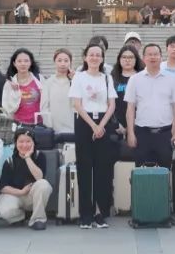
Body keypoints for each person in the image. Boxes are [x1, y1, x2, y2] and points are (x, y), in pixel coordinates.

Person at [70, 42, 118, 228]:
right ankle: (86, 214)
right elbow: (77, 104)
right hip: (84, 122)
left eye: (98, 55)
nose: (95, 58)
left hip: (103, 123)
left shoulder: (107, 78)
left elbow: (112, 105)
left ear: (102, 58)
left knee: (102, 169)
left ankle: (100, 212)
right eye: (91, 54)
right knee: (84, 168)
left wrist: (101, 126)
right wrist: (93, 126)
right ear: (85, 57)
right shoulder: (79, 77)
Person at [124, 43, 175, 167]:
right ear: (143, 58)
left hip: (165, 134)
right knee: (141, 172)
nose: (153, 57)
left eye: (156, 54)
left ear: (161, 57)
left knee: (165, 171)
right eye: (149, 54)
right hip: (142, 133)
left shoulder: (172, 79)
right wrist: (131, 133)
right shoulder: (135, 79)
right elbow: (130, 108)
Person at [0, 128, 54, 229]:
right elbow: (3, 187)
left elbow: (39, 177)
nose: (24, 145)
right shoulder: (9, 161)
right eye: (21, 141)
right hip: (16, 195)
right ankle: (20, 217)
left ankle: (38, 219)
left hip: (33, 195)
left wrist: (27, 157)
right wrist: (21, 192)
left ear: (33, 143)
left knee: (44, 185)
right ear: (16, 143)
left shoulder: (39, 156)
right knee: (4, 210)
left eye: (28, 141)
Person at [2, 47, 43, 126]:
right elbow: (7, 108)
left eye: (26, 61)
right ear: (14, 63)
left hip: (38, 125)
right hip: (18, 125)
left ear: (31, 62)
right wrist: (14, 92)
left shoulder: (40, 79)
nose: (23, 64)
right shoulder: (9, 84)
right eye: (19, 61)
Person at [40, 48, 75, 134]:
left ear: (70, 62)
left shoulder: (76, 81)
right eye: (59, 60)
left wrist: (74, 80)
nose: (63, 64)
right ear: (54, 62)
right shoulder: (48, 83)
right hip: (54, 127)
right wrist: (49, 125)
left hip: (72, 125)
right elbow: (44, 106)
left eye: (66, 61)